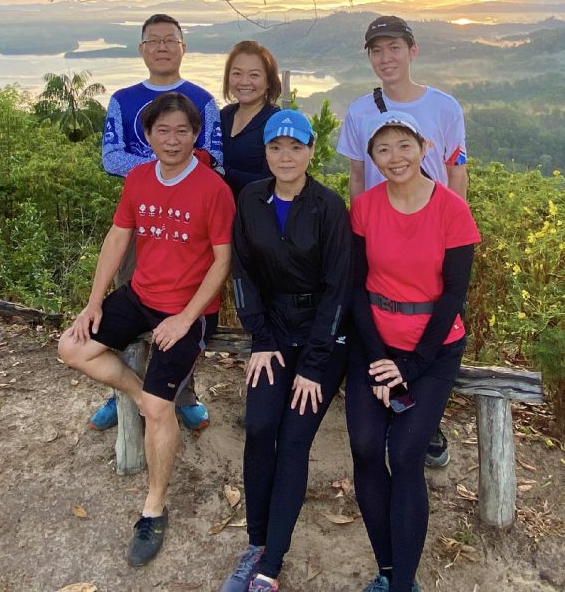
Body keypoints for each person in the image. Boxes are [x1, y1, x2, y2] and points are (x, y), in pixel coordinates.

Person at [58, 92, 235, 567]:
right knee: (71, 347)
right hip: (140, 296)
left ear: (195, 134)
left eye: (182, 130)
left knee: (162, 409)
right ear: (149, 135)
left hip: (189, 308)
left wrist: (184, 317)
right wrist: (94, 303)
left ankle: (153, 507)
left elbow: (222, 262)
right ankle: (141, 397)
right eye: (163, 130)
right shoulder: (138, 178)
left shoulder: (213, 188)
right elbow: (118, 237)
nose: (173, 139)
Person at [345, 110, 479, 592]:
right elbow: (357, 288)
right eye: (382, 149)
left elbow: (453, 294)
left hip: (432, 351)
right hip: (374, 345)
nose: (394, 157)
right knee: (363, 447)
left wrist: (411, 364)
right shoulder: (364, 208)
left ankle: (405, 581)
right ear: (372, 158)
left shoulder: (451, 210)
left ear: (424, 148)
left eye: (403, 145)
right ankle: (386, 569)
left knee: (404, 455)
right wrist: (381, 359)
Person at [218, 109, 351, 592]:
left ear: (312, 151)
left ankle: (271, 565)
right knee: (259, 427)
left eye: (296, 147)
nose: (286, 155)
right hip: (273, 332)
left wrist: (314, 366)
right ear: (266, 152)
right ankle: (254, 543)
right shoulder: (252, 198)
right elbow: (243, 274)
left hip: (323, 338)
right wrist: (261, 338)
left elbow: (340, 289)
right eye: (277, 147)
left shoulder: (329, 206)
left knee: (294, 438)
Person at [335, 14, 468, 468]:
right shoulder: (358, 111)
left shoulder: (445, 108)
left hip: (433, 236)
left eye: (394, 48)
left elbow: (456, 172)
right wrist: (361, 232)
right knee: (379, 323)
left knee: (436, 321)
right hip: (379, 234)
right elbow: (356, 175)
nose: (385, 57)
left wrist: (453, 229)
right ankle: (386, 404)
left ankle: (426, 421)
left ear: (413, 51)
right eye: (376, 50)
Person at [90, 13, 223, 432]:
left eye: (171, 40)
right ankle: (126, 391)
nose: (162, 47)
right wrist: (165, 166)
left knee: (184, 311)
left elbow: (214, 158)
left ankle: (182, 393)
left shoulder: (201, 100)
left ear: (183, 47)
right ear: (142, 48)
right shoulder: (123, 98)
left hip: (190, 223)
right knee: (130, 304)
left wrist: (172, 168)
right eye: (154, 40)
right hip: (139, 219)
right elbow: (110, 157)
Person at [220, 40, 282, 197]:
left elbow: (271, 182)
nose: (244, 81)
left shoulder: (276, 123)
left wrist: (219, 170)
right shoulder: (223, 116)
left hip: (254, 216)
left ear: (268, 81)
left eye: (254, 74)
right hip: (217, 212)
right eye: (237, 73)